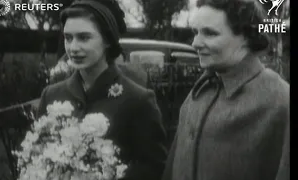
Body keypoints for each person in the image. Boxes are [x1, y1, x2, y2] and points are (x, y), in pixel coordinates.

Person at [36, 0, 167, 179]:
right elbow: (39, 154)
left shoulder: (138, 99)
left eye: (84, 37)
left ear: (107, 40)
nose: (73, 48)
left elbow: (154, 167)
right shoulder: (51, 95)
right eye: (68, 38)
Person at [162, 0, 289, 180]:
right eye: (196, 32)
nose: (195, 43)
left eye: (210, 33)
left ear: (246, 36)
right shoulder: (200, 91)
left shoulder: (279, 101)